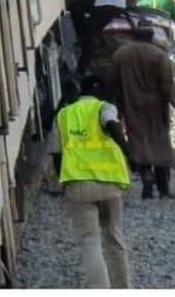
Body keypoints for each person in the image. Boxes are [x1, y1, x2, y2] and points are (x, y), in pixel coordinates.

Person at [49, 76, 131, 289]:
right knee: (115, 238)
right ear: (101, 93)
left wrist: (62, 182)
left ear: (80, 92)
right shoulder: (105, 107)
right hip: (110, 184)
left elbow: (56, 153)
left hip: (78, 186)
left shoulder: (64, 115)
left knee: (90, 242)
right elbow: (112, 125)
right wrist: (129, 152)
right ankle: (123, 288)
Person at [111, 24, 175, 199]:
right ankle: (163, 188)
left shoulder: (121, 54)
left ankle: (146, 179)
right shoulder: (159, 55)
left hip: (132, 104)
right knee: (159, 142)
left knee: (139, 141)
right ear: (151, 36)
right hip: (156, 106)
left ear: (134, 36)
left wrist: (117, 109)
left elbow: (114, 82)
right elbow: (167, 84)